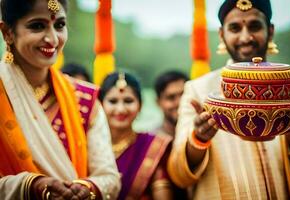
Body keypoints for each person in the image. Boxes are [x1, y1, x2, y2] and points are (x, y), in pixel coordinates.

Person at [167, 0, 290, 199]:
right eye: (235, 28)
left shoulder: (289, 90)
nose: (245, 37)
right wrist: (198, 139)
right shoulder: (198, 90)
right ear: (222, 34)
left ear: (270, 31)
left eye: (255, 26)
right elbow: (178, 175)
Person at [0, 0, 120, 199]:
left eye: (60, 25)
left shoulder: (84, 99)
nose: (53, 39)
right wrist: (30, 186)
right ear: (7, 33)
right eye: (37, 26)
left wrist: (84, 188)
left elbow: (109, 177)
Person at [99, 72, 181, 200]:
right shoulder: (88, 146)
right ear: (100, 105)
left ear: (140, 106)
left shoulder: (152, 146)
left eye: (128, 101)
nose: (120, 109)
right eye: (113, 101)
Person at [154, 70, 189, 138]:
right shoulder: (150, 142)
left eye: (184, 94)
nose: (179, 102)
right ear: (158, 102)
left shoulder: (203, 136)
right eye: (171, 97)